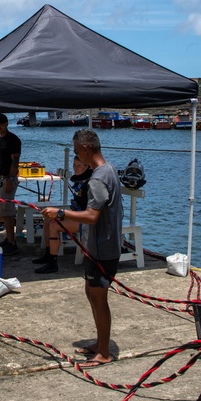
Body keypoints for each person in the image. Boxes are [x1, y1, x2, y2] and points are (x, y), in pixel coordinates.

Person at [41, 129, 123, 368]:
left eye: (77, 151)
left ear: (85, 149)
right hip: (98, 247)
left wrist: (60, 213)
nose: (77, 155)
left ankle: (105, 353)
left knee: (99, 298)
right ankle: (101, 343)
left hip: (102, 249)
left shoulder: (98, 178)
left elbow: (92, 216)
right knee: (91, 293)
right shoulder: (109, 170)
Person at [32, 155, 91, 274]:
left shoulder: (90, 184)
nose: (75, 168)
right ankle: (48, 255)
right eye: (74, 165)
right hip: (76, 214)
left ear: (87, 166)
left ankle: (53, 263)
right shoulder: (79, 180)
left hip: (86, 220)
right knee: (48, 219)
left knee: (54, 225)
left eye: (78, 165)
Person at [0, 113, 22, 255]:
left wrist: (11, 179)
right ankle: (8, 238)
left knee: (8, 212)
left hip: (7, 179)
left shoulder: (13, 140)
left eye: (1, 124)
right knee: (3, 211)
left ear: (7, 123)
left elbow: (15, 161)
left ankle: (12, 242)